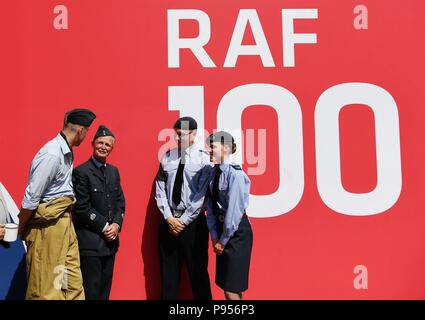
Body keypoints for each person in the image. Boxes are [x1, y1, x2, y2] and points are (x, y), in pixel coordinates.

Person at [18, 108, 96, 300]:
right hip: (47, 227)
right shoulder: (52, 154)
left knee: (71, 283)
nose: (86, 137)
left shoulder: (67, 151)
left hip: (64, 223)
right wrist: (21, 228)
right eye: (87, 132)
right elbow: (31, 198)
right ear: (80, 131)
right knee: (46, 287)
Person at [155, 116, 212, 300]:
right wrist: (169, 218)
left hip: (193, 225)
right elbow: (160, 188)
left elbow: (202, 196)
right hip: (169, 223)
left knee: (198, 274)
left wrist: (184, 220)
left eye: (182, 134)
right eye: (176, 134)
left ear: (194, 134)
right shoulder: (167, 156)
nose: (178, 138)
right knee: (168, 276)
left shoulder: (204, 160)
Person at [72, 125, 125, 300]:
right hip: (90, 245)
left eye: (107, 145)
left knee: (104, 293)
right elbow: (81, 207)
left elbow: (120, 203)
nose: (103, 147)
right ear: (92, 144)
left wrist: (116, 224)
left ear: (112, 148)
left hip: (110, 245)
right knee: (91, 293)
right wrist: (105, 226)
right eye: (100, 143)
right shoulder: (81, 172)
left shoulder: (113, 171)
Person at [206, 131, 253, 300]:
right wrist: (214, 237)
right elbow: (210, 207)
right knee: (228, 284)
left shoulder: (236, 175)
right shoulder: (213, 173)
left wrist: (223, 241)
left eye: (213, 147)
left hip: (235, 233)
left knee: (231, 288)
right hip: (221, 233)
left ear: (226, 148)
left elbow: (234, 213)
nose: (209, 151)